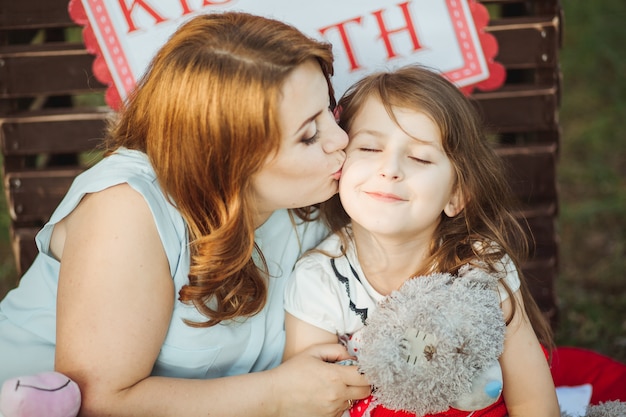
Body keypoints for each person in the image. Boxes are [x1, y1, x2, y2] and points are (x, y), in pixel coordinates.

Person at [0, 12, 371, 417]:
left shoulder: (317, 190)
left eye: (329, 109)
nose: (341, 139)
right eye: (308, 135)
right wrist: (278, 396)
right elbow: (97, 402)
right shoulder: (127, 210)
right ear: (230, 158)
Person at [283, 65, 560, 416]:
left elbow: (532, 400)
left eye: (419, 157)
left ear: (456, 195)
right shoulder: (320, 280)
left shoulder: (479, 268)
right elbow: (306, 403)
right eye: (369, 148)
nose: (391, 168)